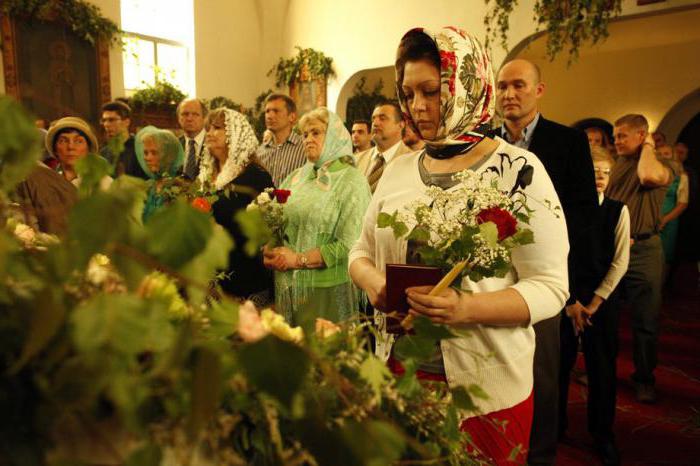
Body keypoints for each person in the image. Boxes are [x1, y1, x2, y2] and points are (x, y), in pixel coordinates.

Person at [349, 27, 569, 464]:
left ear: (466, 87)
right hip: (402, 373)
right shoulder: (399, 170)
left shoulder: (516, 170)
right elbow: (360, 251)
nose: (418, 107)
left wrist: (464, 308)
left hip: (483, 385)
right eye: (408, 93)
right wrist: (375, 284)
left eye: (431, 91)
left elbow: (550, 286)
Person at [495, 58, 599, 465]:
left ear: (539, 90)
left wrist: (572, 291)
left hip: (544, 280)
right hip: (492, 279)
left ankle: (539, 455)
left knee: (543, 375)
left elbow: (582, 218)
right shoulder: (483, 140)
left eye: (519, 85)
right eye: (503, 86)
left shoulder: (567, 143)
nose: (509, 94)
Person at [264, 107, 371, 330]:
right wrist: (269, 249)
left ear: (333, 136)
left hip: (329, 289)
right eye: (304, 135)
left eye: (316, 133)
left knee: (327, 357)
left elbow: (351, 244)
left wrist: (299, 259)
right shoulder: (296, 177)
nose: (308, 139)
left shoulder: (351, 181)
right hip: (290, 288)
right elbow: (275, 218)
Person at [559, 146, 630, 466]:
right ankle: (555, 427)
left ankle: (602, 434)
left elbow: (620, 262)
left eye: (605, 171)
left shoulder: (619, 210)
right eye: (594, 171)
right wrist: (571, 302)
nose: (599, 177)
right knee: (558, 367)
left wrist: (595, 303)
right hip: (566, 298)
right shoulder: (565, 209)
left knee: (602, 370)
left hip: (602, 300)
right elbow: (557, 259)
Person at [607, 114, 678, 403]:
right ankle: (603, 370)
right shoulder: (615, 165)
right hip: (612, 248)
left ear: (641, 135)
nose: (617, 141)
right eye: (615, 137)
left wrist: (648, 146)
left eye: (623, 135)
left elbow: (648, 176)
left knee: (645, 320)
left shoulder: (664, 167)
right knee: (604, 317)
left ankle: (644, 378)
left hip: (644, 251)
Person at [198, 108, 274, 305]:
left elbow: (267, 228)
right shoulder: (205, 175)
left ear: (235, 133)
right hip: (209, 276)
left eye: (216, 128)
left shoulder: (255, 176)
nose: (209, 133)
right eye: (208, 128)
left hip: (244, 276)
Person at [355, 101, 412, 193]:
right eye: (373, 119)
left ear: (401, 125)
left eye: (383, 118)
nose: (375, 123)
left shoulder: (412, 161)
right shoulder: (356, 160)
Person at [134, 126, 185, 222]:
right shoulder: (147, 186)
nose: (147, 158)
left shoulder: (181, 187)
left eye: (154, 153)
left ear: (168, 156)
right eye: (145, 153)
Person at [46, 116, 112, 191]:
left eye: (78, 141)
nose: (71, 147)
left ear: (88, 149)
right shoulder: (47, 184)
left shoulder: (103, 184)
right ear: (55, 150)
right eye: (63, 141)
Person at [256, 94, 307, 187]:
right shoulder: (259, 152)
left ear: (291, 117)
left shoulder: (305, 147)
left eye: (276, 111)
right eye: (267, 111)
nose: (269, 116)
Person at [656, 144, 688, 267]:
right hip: (651, 219)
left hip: (669, 221)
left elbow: (683, 203)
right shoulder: (653, 174)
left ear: (673, 156)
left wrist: (664, 220)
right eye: (660, 154)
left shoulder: (681, 177)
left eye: (667, 154)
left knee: (664, 258)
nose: (663, 157)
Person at [99, 101, 148, 180]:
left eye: (111, 120)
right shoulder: (103, 152)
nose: (106, 124)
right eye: (104, 120)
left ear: (126, 122)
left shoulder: (141, 148)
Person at [177, 98, 207, 180]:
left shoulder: (213, 143)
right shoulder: (174, 145)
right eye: (185, 114)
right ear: (179, 119)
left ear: (204, 118)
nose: (189, 119)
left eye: (195, 114)